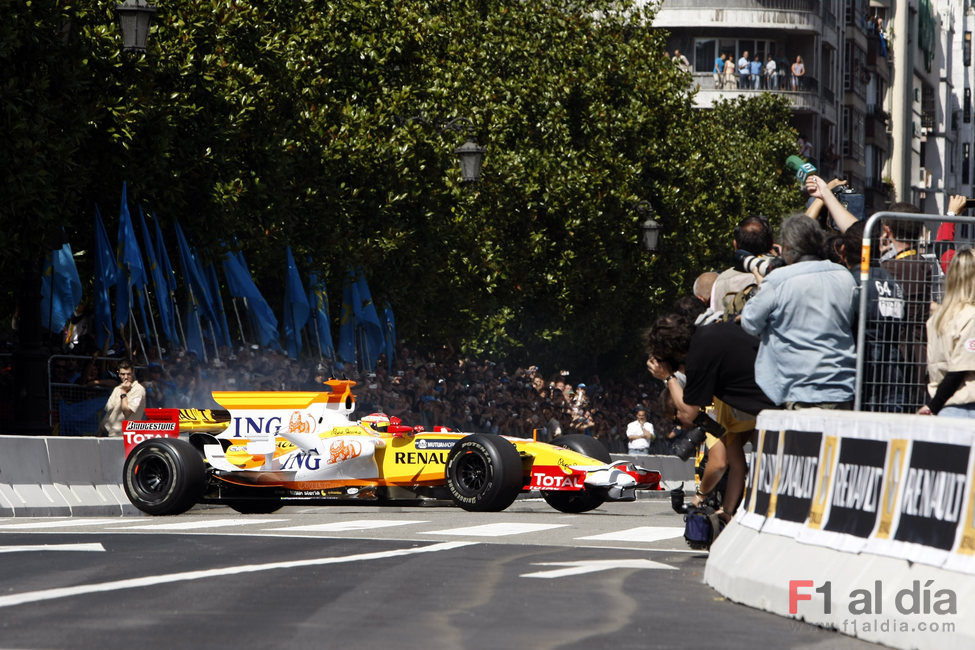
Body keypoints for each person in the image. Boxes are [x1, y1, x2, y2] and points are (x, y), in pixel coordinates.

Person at [740, 214, 858, 408]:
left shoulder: (779, 280)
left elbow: (750, 322)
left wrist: (761, 289)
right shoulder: (843, 276)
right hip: (842, 388)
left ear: (787, 247)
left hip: (799, 389)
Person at [919, 249, 975, 417]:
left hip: (945, 406)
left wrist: (933, 406)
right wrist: (933, 407)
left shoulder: (937, 319)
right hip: (966, 406)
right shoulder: (971, 317)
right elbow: (958, 371)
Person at [99, 360, 146, 437]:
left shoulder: (139, 390)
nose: (126, 377)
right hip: (109, 433)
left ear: (133, 372)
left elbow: (127, 412)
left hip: (126, 436)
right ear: (118, 373)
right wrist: (100, 430)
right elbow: (109, 412)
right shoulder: (117, 389)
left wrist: (123, 392)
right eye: (123, 374)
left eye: (128, 374)